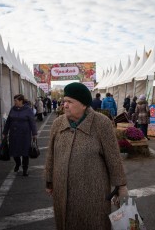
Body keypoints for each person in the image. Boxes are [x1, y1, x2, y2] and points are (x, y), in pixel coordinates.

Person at [45, 82, 128, 230]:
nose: (65, 105)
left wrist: (121, 187)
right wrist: (49, 180)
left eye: (70, 102)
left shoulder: (102, 123)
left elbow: (113, 157)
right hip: (62, 192)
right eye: (64, 101)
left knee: (93, 223)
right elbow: (51, 154)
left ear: (83, 105)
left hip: (93, 195)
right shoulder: (58, 124)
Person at [2, 94, 37, 176]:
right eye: (14, 100)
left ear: (21, 101)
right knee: (14, 151)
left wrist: (34, 133)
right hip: (14, 134)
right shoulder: (12, 109)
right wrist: (5, 132)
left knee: (25, 152)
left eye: (16, 100)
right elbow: (8, 121)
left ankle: (25, 169)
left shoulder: (28, 109)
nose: (14, 102)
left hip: (25, 135)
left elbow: (32, 122)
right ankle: (17, 163)